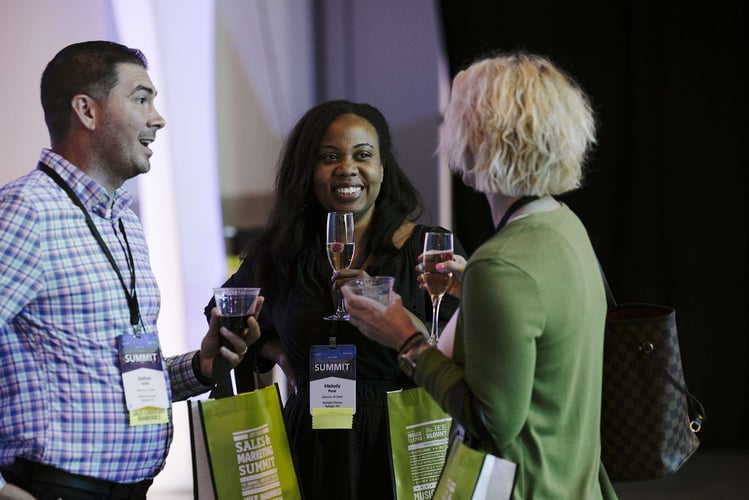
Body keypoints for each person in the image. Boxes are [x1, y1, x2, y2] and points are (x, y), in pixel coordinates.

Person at [343, 52, 619, 499]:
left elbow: (491, 422)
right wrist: (475, 287)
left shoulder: (501, 266)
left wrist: (405, 340)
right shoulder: (564, 225)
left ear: (479, 138)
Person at [0, 41, 261, 500]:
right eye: (141, 99)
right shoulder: (26, 211)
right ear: (87, 111)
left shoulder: (122, 219)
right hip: (54, 488)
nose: (157, 119)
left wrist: (201, 367)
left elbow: (119, 373)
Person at [205, 99, 466, 499]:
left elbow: (457, 351)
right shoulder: (281, 253)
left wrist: (391, 315)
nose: (347, 168)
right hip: (312, 446)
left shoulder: (427, 250)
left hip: (401, 442)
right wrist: (281, 355)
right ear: (308, 171)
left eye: (363, 155)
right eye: (330, 157)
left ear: (382, 168)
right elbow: (224, 311)